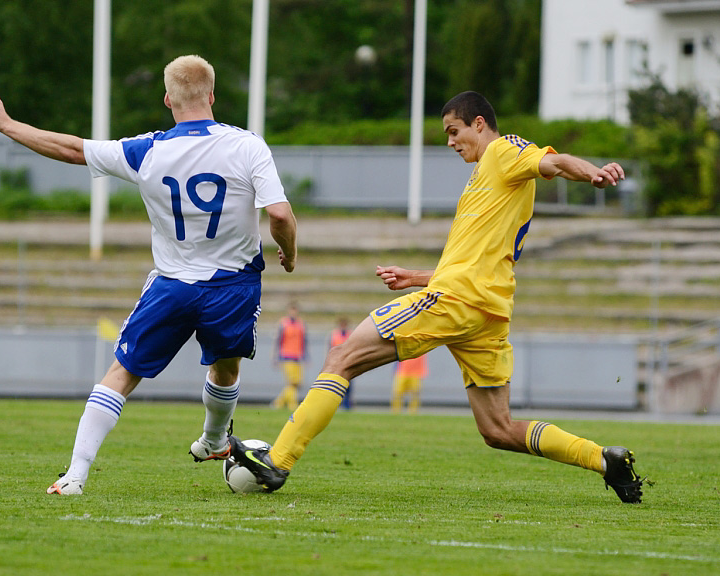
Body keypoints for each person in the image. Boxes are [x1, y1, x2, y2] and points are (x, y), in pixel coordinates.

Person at [231, 90, 644, 504]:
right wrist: (416, 277)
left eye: (454, 131)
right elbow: (476, 256)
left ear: (479, 123)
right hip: (485, 311)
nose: (449, 142)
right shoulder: (486, 178)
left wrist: (591, 173)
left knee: (341, 358)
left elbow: (553, 162)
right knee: (498, 429)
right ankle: (604, 460)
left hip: (458, 301)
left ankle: (278, 460)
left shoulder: (504, 151)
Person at [0, 54, 298, 495]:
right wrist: (289, 252)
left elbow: (72, 148)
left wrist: (8, 124)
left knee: (122, 374)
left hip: (172, 284)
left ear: (167, 98)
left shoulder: (147, 150)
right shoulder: (247, 145)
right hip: (233, 285)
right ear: (212, 95)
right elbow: (279, 213)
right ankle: (212, 437)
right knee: (227, 367)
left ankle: (75, 475)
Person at [271, 303, 307, 411]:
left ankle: (278, 402)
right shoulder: (283, 323)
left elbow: (304, 341)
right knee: (291, 382)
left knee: (297, 383)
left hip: (298, 356)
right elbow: (277, 340)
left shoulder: (301, 324)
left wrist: (305, 356)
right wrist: (274, 356)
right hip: (286, 355)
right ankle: (293, 405)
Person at [328, 317, 353, 409]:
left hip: (347, 362)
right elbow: (330, 349)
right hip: (337, 363)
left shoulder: (351, 334)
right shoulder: (334, 334)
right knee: (336, 384)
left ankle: (347, 405)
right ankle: (335, 404)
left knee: (348, 384)